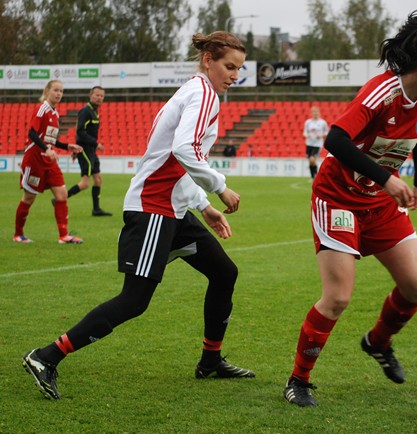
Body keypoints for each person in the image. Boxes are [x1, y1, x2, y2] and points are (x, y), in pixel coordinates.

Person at [22, 31, 254, 400]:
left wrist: (202, 205)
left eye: (239, 69)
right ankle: (46, 356)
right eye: (229, 66)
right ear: (208, 60)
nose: (234, 75)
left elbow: (174, 159)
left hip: (172, 207)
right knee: (134, 300)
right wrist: (219, 187)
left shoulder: (195, 91)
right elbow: (184, 150)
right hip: (153, 208)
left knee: (224, 272)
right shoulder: (203, 94)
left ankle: (210, 360)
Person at [283, 11, 417, 407]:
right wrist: (386, 179)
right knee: (337, 297)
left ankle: (378, 342)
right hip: (337, 197)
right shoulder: (381, 91)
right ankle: (298, 379)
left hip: (379, 202)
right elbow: (335, 140)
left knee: (416, 284)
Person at [13, 79, 84, 244]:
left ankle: (64, 236)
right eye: (56, 90)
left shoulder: (55, 113)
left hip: (49, 162)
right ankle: (18, 234)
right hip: (35, 161)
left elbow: (50, 139)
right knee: (29, 198)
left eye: (61, 91)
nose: (59, 94)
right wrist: (46, 149)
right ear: (47, 91)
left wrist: (67, 146)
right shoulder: (42, 109)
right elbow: (32, 133)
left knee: (62, 194)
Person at [66, 86, 112, 216]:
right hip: (85, 150)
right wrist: (95, 144)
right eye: (97, 95)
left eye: (102, 96)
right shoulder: (85, 111)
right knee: (85, 183)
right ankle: (61, 198)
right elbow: (80, 132)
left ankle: (96, 210)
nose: (99, 98)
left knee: (98, 179)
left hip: (91, 150)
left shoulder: (94, 111)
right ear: (90, 95)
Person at [303, 106, 329, 179]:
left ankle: (316, 175)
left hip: (317, 144)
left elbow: (327, 132)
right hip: (309, 143)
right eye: (314, 112)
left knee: (312, 159)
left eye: (316, 112)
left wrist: (321, 135)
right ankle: (312, 176)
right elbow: (304, 132)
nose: (315, 113)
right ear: (311, 113)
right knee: (310, 161)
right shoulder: (308, 122)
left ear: (319, 113)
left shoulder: (323, 122)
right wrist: (307, 135)